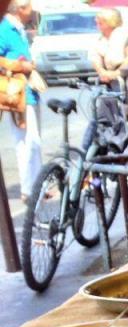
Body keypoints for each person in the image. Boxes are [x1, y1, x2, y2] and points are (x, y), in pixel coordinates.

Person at [0, 0, 40, 200]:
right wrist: (18, 66)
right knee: (25, 141)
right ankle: (28, 188)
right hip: (17, 93)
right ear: (20, 10)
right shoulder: (5, 30)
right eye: (30, 6)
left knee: (34, 141)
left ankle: (38, 183)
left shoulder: (19, 29)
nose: (33, 10)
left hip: (29, 91)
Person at [90, 8, 128, 88]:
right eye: (97, 23)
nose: (97, 26)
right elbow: (95, 58)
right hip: (108, 79)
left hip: (126, 79)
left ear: (110, 23)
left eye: (100, 23)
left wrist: (117, 73)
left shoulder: (123, 36)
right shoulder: (100, 40)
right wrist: (102, 72)